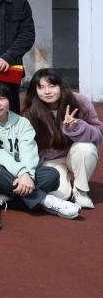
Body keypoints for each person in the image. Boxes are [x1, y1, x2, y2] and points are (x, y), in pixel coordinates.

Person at [0, 81, 80, 219]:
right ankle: (46, 201)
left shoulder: (22, 122)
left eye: (2, 98)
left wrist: (28, 175)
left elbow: (28, 151)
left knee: (52, 175)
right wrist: (22, 173)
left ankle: (7, 198)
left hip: (18, 176)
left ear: (10, 100)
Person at [23, 68, 101, 208]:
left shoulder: (79, 101)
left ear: (61, 86)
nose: (47, 91)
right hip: (50, 161)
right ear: (35, 90)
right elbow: (28, 147)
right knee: (61, 196)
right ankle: (68, 187)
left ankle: (80, 191)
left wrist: (76, 127)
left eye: (52, 86)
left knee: (86, 148)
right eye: (41, 87)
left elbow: (98, 133)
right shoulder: (31, 112)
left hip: (75, 153)